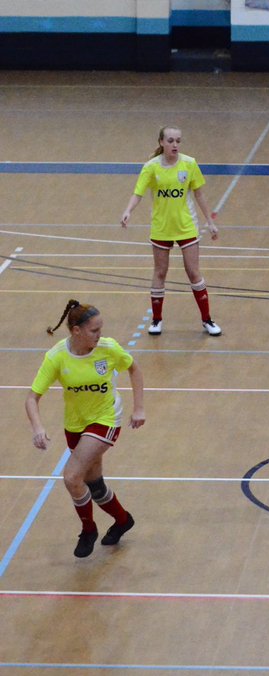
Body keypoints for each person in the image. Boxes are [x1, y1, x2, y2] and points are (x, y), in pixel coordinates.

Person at [25, 300, 144, 558]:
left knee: (71, 477)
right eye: (94, 331)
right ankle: (123, 520)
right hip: (75, 423)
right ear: (76, 331)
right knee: (94, 484)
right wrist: (37, 428)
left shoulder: (108, 349)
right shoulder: (57, 356)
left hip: (106, 418)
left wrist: (139, 408)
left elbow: (133, 369)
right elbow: (32, 398)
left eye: (101, 329)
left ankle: (88, 529)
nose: (99, 335)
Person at [120, 125, 221, 338]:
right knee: (160, 272)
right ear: (161, 143)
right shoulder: (151, 167)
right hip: (161, 228)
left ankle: (207, 320)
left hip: (186, 227)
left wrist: (209, 221)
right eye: (171, 141)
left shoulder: (190, 164)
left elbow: (199, 194)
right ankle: (156, 320)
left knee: (193, 272)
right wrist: (128, 211)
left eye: (178, 141)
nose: (175, 144)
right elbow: (138, 193)